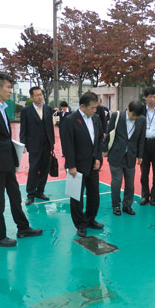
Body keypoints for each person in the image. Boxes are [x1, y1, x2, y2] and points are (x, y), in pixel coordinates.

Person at [0, 74, 42, 247]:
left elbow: (3, 138)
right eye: (7, 87)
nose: (10, 90)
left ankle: (23, 228)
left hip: (7, 163)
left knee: (15, 196)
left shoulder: (1, 108)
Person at [61, 92, 103, 237]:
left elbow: (98, 140)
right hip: (77, 166)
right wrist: (71, 165)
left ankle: (90, 219)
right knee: (76, 197)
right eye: (92, 108)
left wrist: (98, 158)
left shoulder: (96, 118)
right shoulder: (71, 120)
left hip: (93, 164)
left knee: (94, 195)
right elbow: (67, 144)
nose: (95, 110)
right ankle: (80, 224)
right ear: (82, 106)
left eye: (96, 107)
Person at [102, 101, 146, 216]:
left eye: (137, 116)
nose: (135, 118)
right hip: (116, 155)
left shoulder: (141, 120)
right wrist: (104, 149)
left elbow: (141, 139)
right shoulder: (117, 116)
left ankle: (127, 205)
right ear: (128, 109)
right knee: (116, 182)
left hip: (131, 156)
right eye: (133, 115)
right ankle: (116, 205)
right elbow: (109, 133)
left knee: (130, 184)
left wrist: (140, 155)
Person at [19, 87, 55, 205]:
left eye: (40, 94)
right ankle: (30, 194)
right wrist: (23, 143)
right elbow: (23, 128)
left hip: (47, 145)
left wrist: (52, 143)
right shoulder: (26, 111)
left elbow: (50, 127)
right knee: (33, 169)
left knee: (45, 169)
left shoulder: (48, 109)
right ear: (31, 97)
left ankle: (40, 191)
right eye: (36, 95)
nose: (39, 97)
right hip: (33, 145)